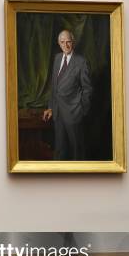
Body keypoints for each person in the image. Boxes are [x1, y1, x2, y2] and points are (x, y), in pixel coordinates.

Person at [42, 30, 93, 160]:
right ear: (59, 43)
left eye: (68, 41)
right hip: (58, 114)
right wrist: (50, 107)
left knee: (77, 151)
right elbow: (54, 86)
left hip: (74, 115)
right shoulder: (57, 58)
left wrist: (81, 110)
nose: (65, 45)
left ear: (73, 42)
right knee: (60, 151)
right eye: (62, 42)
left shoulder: (81, 62)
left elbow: (87, 89)